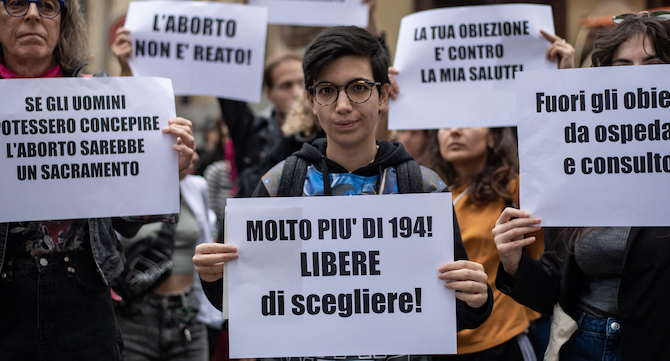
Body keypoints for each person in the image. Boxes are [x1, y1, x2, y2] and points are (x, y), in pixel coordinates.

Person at [194, 26, 493, 361]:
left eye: (359, 88)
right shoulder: (279, 186)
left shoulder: (424, 188)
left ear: (383, 95)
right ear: (311, 101)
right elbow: (248, 304)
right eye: (327, 90)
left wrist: (477, 298)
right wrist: (214, 278)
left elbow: (449, 312)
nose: (343, 105)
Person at [0, 0, 195, 359]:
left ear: (63, 22)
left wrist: (165, 175)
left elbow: (126, 223)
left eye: (48, 6)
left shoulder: (100, 98)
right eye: (16, 3)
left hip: (85, 311)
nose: (32, 15)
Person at [492, 11, 670, 360]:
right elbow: (554, 287)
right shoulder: (578, 161)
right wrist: (515, 263)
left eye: (652, 64)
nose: (636, 77)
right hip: (584, 346)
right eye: (622, 66)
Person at [433, 127, 543, 361]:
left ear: (493, 137)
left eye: (468, 122)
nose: (454, 131)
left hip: (501, 339)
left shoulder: (516, 189)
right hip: (442, 344)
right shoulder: (426, 193)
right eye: (445, 125)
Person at [115, 152, 218, 361]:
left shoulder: (197, 187)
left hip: (187, 313)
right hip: (136, 314)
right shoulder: (126, 190)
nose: (195, 157)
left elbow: (205, 245)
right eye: (183, 149)